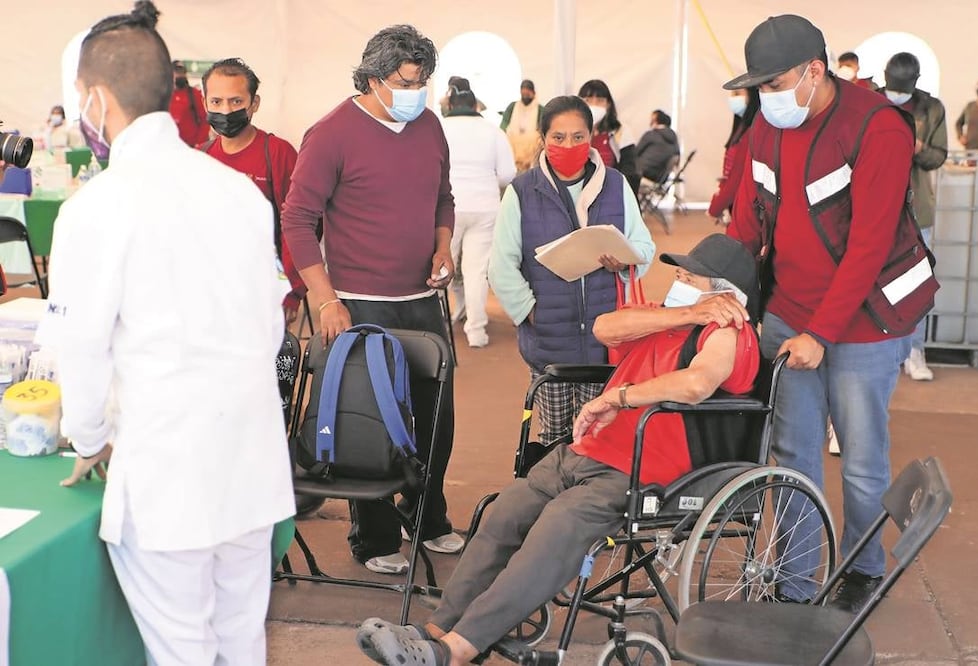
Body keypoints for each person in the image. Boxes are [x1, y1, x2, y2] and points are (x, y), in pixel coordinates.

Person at [357, 233, 761, 666]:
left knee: (553, 531)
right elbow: (607, 326)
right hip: (585, 451)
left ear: (724, 293)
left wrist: (616, 397)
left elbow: (696, 384)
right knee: (504, 514)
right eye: (678, 272)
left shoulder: (729, 333)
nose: (678, 279)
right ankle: (438, 628)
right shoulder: (670, 316)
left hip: (641, 469)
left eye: (689, 276)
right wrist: (683, 313)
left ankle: (457, 649)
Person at [45, 2, 295, 664]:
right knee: (241, 641)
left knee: (183, 650)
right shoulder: (240, 194)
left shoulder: (95, 206)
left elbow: (81, 346)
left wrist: (90, 436)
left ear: (96, 98)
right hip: (251, 461)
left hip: (168, 473)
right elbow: (271, 323)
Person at [726, 14, 935, 612]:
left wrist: (823, 330)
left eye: (775, 83)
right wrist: (712, 283)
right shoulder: (765, 128)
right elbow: (747, 219)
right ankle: (795, 583)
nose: (765, 97)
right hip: (792, 313)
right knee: (793, 455)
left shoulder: (878, 127)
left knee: (862, 459)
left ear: (815, 72)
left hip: (868, 321)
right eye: (758, 87)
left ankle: (865, 568)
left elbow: (869, 245)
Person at [280, 24, 462, 575]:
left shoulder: (429, 126)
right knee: (373, 425)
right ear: (375, 78)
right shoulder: (331, 133)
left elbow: (444, 199)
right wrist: (326, 299)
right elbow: (297, 219)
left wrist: (443, 247)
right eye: (408, 81)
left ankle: (427, 516)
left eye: (424, 81)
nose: (418, 92)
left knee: (435, 418)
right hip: (359, 304)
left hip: (423, 301)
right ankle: (375, 535)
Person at [488, 95, 655, 450]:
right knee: (554, 438)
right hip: (549, 345)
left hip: (604, 341)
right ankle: (554, 501)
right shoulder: (523, 191)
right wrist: (533, 313)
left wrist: (625, 261)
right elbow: (501, 264)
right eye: (558, 137)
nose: (569, 145)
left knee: (600, 437)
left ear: (592, 136)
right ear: (543, 139)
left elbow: (644, 248)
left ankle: (586, 504)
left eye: (578, 136)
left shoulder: (615, 184)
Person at [201, 57, 306, 324]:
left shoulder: (278, 153)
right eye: (216, 101)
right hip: (211, 294)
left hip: (264, 294)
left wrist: (290, 292)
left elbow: (298, 226)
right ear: (205, 103)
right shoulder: (199, 157)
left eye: (236, 101)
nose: (225, 110)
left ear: (254, 104)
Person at [881, 52, 948, 381]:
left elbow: (939, 156)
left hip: (916, 209)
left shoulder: (931, 109)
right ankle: (879, 349)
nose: (894, 94)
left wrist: (918, 147)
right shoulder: (871, 102)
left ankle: (914, 350)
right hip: (874, 208)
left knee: (916, 284)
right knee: (871, 280)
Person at [442, 87, 515, 348]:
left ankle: (440, 322)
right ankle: (476, 331)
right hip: (485, 206)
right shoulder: (493, 131)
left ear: (450, 105)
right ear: (476, 106)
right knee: (476, 271)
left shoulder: (439, 127)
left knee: (441, 265)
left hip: (447, 207)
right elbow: (508, 173)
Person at [708, 88, 760, 227]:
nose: (733, 99)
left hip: (744, 208)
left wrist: (716, 207)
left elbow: (737, 178)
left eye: (737, 94)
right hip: (735, 205)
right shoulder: (742, 129)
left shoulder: (751, 133)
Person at [578, 79, 639, 193]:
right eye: (588, 100)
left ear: (608, 104)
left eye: (600, 100)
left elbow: (630, 170)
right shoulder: (573, 132)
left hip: (610, 191)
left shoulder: (620, 131)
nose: (594, 105)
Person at [500, 79, 544, 173]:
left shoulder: (540, 109)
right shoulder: (512, 106)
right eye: (523, 92)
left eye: (527, 93)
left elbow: (542, 127)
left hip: (531, 150)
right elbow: (504, 124)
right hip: (513, 147)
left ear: (533, 93)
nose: (525, 95)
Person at [169, 60, 209, 147]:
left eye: (182, 73)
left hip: (190, 146)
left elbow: (205, 120)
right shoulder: (165, 95)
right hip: (169, 145)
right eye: (176, 72)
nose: (179, 75)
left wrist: (199, 142)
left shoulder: (194, 94)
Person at [635, 109, 680, 183]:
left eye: (652, 119)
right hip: (659, 177)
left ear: (656, 121)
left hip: (643, 172)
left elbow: (635, 153)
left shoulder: (651, 135)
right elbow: (677, 158)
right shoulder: (674, 139)